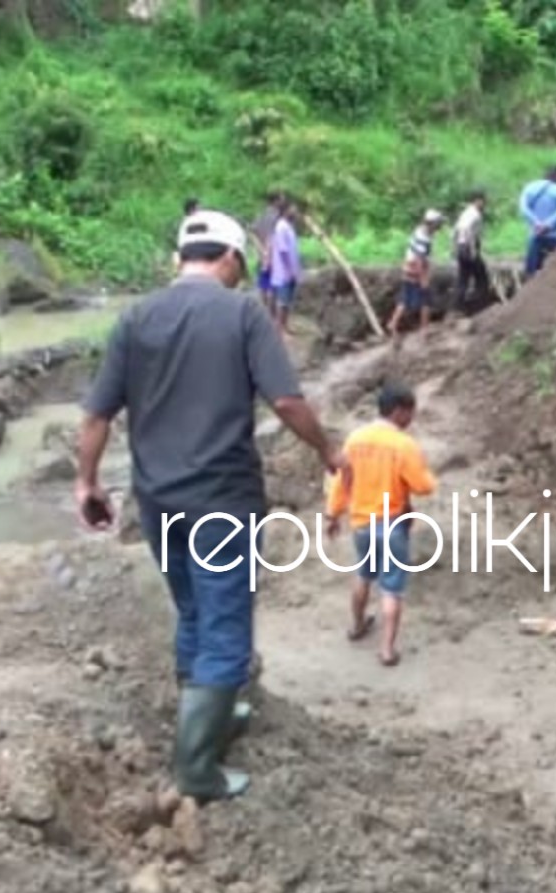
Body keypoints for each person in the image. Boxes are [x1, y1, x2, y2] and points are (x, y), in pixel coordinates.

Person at [75, 207, 347, 802]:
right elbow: (286, 402)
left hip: (157, 500)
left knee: (195, 612)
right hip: (221, 499)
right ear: (228, 259)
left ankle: (214, 715)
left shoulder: (136, 318)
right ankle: (197, 767)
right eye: (239, 266)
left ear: (180, 258)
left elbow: (97, 415)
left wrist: (87, 484)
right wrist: (329, 449)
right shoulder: (242, 313)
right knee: (225, 625)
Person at [324, 382, 437, 667]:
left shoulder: (355, 439)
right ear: (399, 411)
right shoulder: (403, 444)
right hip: (392, 525)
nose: (411, 419)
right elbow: (423, 486)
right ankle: (387, 649)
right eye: (410, 413)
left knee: (363, 575)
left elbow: (342, 481)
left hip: (361, 523)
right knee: (392, 588)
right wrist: (426, 474)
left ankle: (358, 625)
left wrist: (333, 514)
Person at [387, 208, 445, 337]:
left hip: (408, 267)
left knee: (405, 299)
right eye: (438, 223)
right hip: (415, 269)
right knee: (426, 299)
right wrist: (423, 277)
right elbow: (419, 259)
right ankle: (424, 328)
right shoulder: (423, 238)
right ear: (432, 223)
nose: (439, 226)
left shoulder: (420, 230)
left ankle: (393, 323)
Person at [518, 165, 556, 277]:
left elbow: (523, 209)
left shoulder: (530, 187)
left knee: (531, 274)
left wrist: (536, 223)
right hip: (553, 236)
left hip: (534, 235)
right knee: (553, 274)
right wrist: (547, 225)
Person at [268, 198, 303, 337]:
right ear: (286, 210)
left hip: (290, 270)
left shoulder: (288, 226)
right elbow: (283, 251)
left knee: (287, 301)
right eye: (293, 208)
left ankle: (285, 326)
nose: (295, 211)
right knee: (282, 301)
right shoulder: (281, 226)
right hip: (284, 271)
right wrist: (289, 270)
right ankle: (280, 329)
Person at [453, 190, 488, 312]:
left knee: (463, 278)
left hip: (461, 247)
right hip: (468, 248)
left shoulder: (465, 213)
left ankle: (458, 307)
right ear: (477, 200)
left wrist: (454, 247)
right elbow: (466, 229)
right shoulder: (475, 214)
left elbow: (456, 229)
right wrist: (472, 249)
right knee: (482, 278)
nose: (484, 204)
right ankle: (479, 307)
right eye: (483, 201)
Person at [251, 191, 284, 304]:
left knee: (263, 285)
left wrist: (260, 249)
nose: (283, 201)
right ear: (276, 201)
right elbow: (274, 235)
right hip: (274, 255)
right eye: (281, 198)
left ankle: (263, 310)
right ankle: (272, 315)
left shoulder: (260, 215)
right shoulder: (278, 217)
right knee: (273, 286)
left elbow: (253, 232)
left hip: (262, 255)